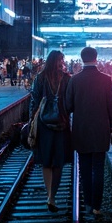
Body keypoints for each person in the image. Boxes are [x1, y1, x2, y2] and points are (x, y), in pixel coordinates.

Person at [63, 46, 112, 218]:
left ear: (81, 59)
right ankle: (96, 206)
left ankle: (87, 203)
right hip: (101, 130)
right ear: (96, 58)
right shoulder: (105, 79)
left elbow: (68, 106)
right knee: (98, 168)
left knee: (85, 169)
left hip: (81, 130)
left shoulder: (74, 80)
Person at [28, 50, 72, 209]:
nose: (62, 63)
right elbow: (70, 103)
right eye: (62, 60)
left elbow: (33, 102)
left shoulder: (39, 78)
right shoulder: (67, 79)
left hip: (43, 124)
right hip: (62, 124)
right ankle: (53, 195)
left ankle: (49, 196)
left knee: (46, 161)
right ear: (59, 61)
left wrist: (31, 122)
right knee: (58, 162)